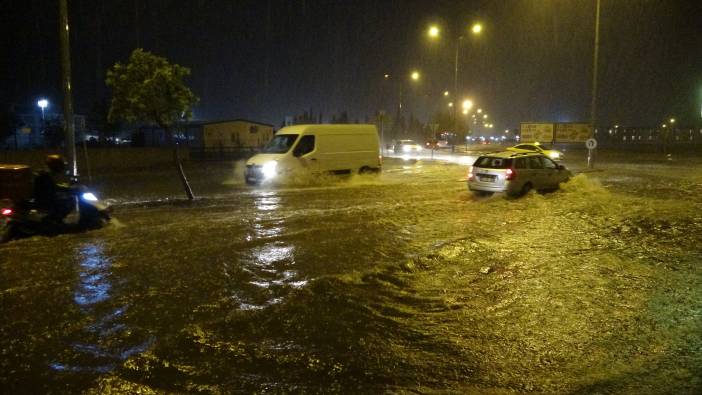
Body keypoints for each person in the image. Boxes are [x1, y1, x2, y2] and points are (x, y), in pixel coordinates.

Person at [32, 155, 75, 224]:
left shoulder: (45, 174)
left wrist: (65, 187)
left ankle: (56, 219)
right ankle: (54, 219)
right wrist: (67, 189)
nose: (62, 168)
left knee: (65, 199)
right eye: (60, 165)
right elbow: (53, 187)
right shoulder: (44, 175)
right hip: (45, 201)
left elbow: (52, 186)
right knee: (69, 201)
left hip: (44, 199)